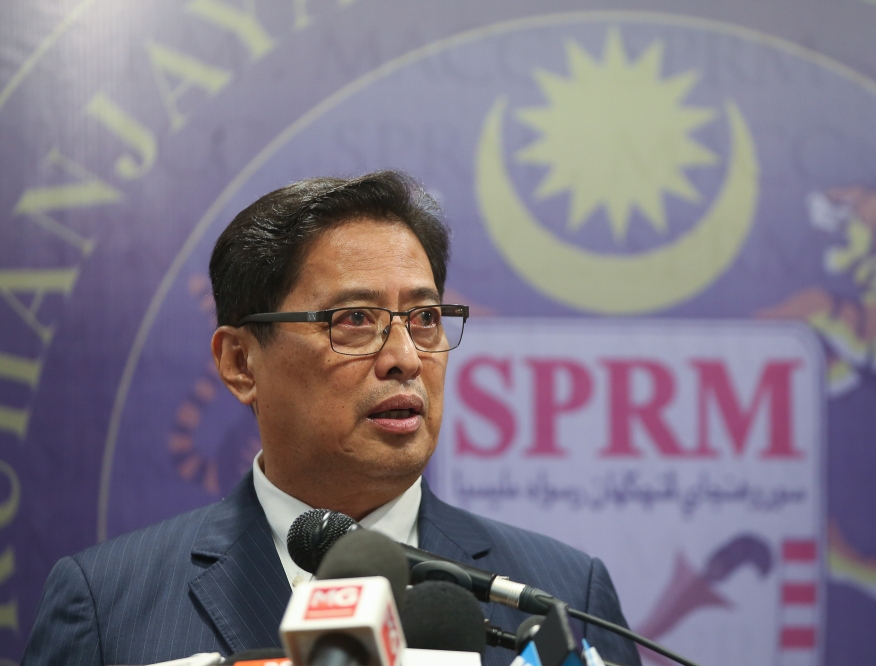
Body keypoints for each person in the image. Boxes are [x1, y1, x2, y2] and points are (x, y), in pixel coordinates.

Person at [22, 172, 642, 666]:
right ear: (241, 363)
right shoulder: (108, 604)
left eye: (424, 318)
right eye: (353, 321)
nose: (404, 358)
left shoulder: (561, 592)